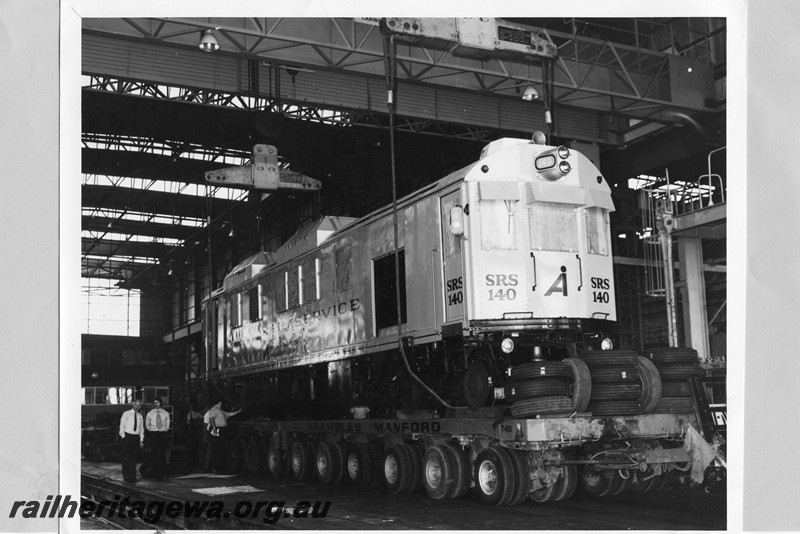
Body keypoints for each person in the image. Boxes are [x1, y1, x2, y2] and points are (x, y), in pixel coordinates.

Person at [203, 400, 242, 472]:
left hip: (221, 430)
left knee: (220, 447)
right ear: (218, 402)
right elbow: (211, 420)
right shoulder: (214, 409)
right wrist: (214, 429)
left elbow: (229, 414)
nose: (222, 404)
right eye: (221, 403)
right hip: (216, 430)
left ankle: (219, 466)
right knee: (216, 448)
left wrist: (238, 411)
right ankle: (214, 466)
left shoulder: (220, 411)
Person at [118, 399, 144, 483]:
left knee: (134, 459)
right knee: (126, 458)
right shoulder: (126, 414)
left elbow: (141, 429)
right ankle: (126, 477)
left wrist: (141, 440)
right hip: (127, 437)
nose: (137, 407)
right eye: (136, 405)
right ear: (132, 404)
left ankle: (132, 477)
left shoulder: (140, 416)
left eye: (139, 405)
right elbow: (122, 426)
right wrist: (123, 437)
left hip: (136, 438)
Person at [145, 397, 170, 480]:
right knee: (154, 454)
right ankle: (155, 474)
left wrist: (163, 430)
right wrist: (152, 430)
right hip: (154, 435)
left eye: (157, 402)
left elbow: (167, 425)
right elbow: (147, 425)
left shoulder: (165, 413)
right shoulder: (149, 413)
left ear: (161, 403)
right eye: (154, 403)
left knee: (162, 454)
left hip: (162, 434)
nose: (156, 404)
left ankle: (163, 473)